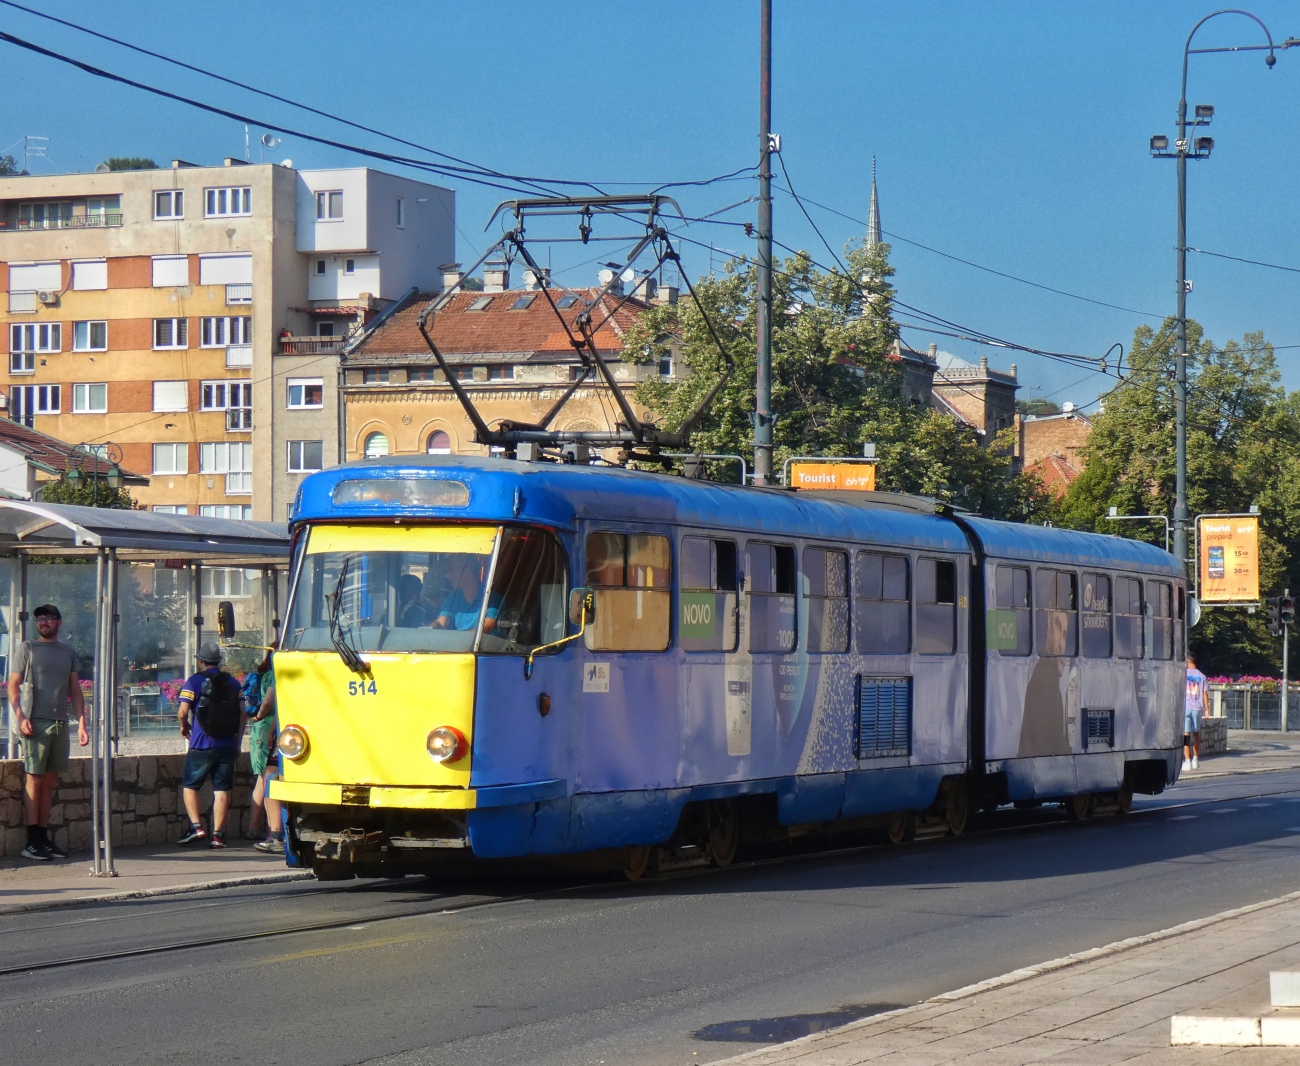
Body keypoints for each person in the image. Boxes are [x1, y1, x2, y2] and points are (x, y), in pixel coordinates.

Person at [7, 604, 87, 861]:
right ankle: (32, 841)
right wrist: (20, 716)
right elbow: (13, 685)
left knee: (49, 782)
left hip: (60, 722)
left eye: (49, 618)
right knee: (35, 779)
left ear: (59, 623)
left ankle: (43, 836)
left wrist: (82, 723)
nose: (43, 622)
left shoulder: (67, 652)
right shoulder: (28, 648)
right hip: (34, 721)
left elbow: (75, 690)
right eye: (40, 619)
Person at [176, 642, 245, 848]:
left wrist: (183, 725)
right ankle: (217, 835)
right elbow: (242, 715)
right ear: (219, 661)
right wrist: (237, 742)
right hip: (226, 744)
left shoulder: (194, 682)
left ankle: (196, 827)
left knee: (190, 786)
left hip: (201, 743)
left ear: (200, 661)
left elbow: (182, 711)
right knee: (221, 790)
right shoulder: (233, 683)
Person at [246, 646, 284, 853]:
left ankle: (262, 829)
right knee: (267, 778)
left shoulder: (267, 673)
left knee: (264, 778)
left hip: (263, 730)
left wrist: (257, 718)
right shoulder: (277, 675)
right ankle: (271, 831)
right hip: (270, 729)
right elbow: (270, 701)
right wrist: (260, 715)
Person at [432, 557, 499, 632]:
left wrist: (458, 638)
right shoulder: (451, 598)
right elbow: (441, 622)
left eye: (452, 569)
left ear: (467, 572)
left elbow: (487, 627)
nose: (448, 575)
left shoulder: (491, 598)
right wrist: (431, 628)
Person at [1185, 653, 1207, 772]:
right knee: (1196, 733)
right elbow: (1205, 694)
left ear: (1188, 661)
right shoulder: (1202, 676)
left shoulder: (1183, 674)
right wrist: (1207, 710)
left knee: (1186, 734)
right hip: (1198, 708)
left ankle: (1187, 761)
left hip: (1186, 707)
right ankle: (1195, 759)